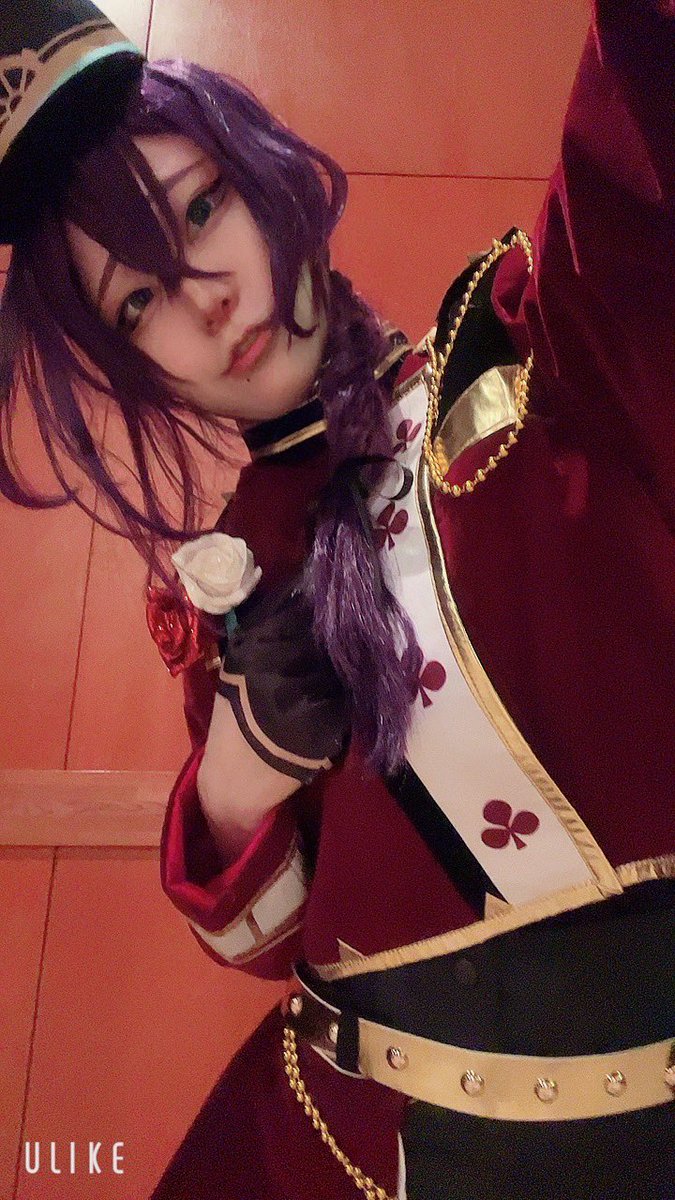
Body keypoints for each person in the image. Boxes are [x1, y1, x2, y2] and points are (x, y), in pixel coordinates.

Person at [0, 1, 673, 1197]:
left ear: (265, 175)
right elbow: (268, 944)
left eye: (200, 210)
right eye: (137, 304)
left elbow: (637, 138)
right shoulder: (232, 605)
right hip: (391, 1149)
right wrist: (234, 785)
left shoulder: (524, 356)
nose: (202, 298)